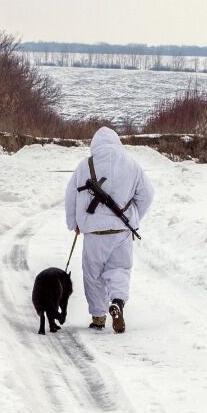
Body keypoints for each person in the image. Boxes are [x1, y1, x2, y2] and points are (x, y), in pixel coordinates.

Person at [65, 127, 154, 333]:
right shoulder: (132, 165)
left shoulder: (84, 166)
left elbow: (71, 196)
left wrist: (74, 223)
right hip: (121, 232)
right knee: (120, 270)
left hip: (94, 233)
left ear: (95, 144)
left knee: (93, 274)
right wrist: (133, 216)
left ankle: (98, 317)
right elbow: (147, 194)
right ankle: (117, 301)